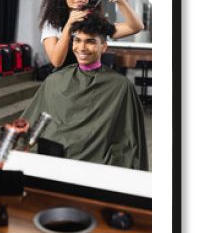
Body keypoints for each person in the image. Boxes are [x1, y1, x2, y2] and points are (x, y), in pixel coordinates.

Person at [23, 13, 149, 171]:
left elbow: (130, 139)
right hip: (57, 161)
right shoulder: (54, 81)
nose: (82, 48)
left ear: (104, 46)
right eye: (77, 40)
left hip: (98, 166)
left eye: (90, 41)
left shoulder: (121, 86)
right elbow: (32, 125)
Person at [40, 0, 144, 68]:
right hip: (64, 82)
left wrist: (120, 0)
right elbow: (57, 62)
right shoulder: (52, 24)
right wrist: (69, 25)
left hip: (93, 81)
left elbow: (136, 27)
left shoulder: (95, 21)